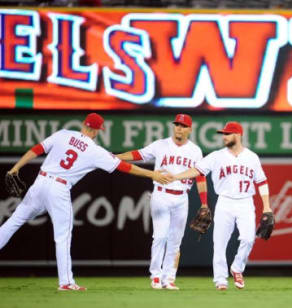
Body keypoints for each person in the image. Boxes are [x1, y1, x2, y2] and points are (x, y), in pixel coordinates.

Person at [0, 113, 164, 291]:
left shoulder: (63, 134)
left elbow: (37, 149)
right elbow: (125, 167)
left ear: (83, 125)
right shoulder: (94, 150)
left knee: (14, 221)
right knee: (63, 236)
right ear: (96, 131)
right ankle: (66, 282)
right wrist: (152, 174)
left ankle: (66, 281)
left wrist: (16, 167)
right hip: (58, 189)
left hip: (40, 182)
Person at [163, 121, 272, 291]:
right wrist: (176, 177)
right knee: (220, 243)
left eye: (227, 134)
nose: (224, 137)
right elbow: (196, 170)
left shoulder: (252, 157)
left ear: (238, 135)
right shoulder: (216, 156)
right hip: (225, 202)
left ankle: (237, 268)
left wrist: (267, 207)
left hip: (245, 202)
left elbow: (262, 182)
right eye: (224, 134)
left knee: (248, 239)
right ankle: (220, 280)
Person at [116, 114, 207, 291]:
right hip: (161, 195)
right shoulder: (160, 145)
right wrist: (117, 156)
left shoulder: (195, 150)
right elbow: (138, 154)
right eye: (177, 124)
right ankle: (156, 276)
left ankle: (169, 279)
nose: (179, 128)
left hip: (182, 197)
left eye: (183, 125)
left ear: (190, 129)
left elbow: (200, 177)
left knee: (175, 241)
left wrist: (204, 203)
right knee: (160, 236)